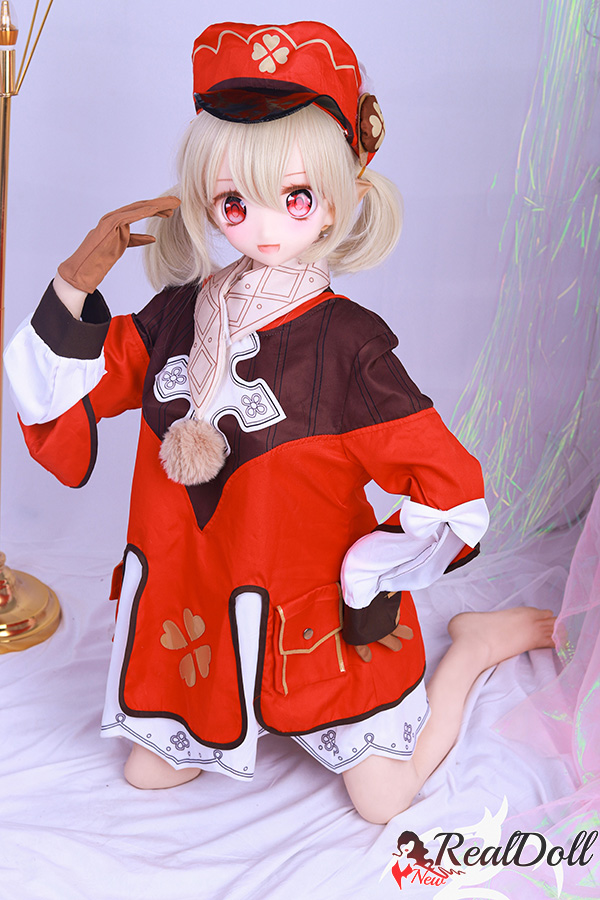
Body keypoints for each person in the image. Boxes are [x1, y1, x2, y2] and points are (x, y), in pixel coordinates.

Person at [4, 21, 554, 823]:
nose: (262, 226)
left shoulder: (351, 347)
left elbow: (450, 488)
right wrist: (77, 279)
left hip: (312, 621)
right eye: (233, 201)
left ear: (340, 198)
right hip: (197, 614)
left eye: (294, 198)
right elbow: (62, 398)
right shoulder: (175, 315)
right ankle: (225, 707)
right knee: (148, 776)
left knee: (383, 801)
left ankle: (471, 646)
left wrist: (370, 575)